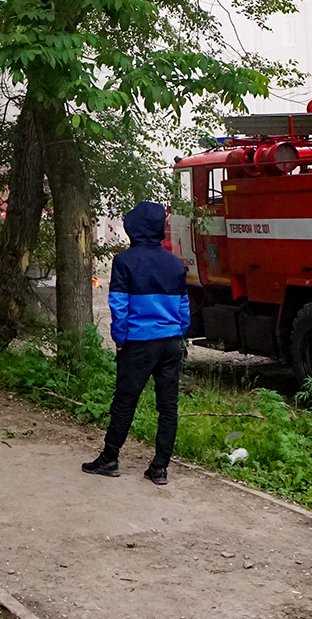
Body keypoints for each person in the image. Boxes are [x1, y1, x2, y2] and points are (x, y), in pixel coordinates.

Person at [82, 200, 191, 485]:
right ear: (159, 229)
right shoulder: (175, 264)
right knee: (168, 407)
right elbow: (183, 309)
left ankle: (109, 459)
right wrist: (176, 332)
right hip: (170, 342)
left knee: (125, 402)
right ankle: (159, 468)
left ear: (133, 228)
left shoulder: (125, 261)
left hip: (138, 342)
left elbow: (119, 306)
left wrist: (120, 340)